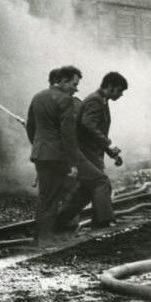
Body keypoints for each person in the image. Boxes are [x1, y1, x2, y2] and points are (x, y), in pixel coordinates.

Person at [57, 72, 127, 229]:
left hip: (89, 151)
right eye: (120, 90)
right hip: (84, 152)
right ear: (110, 87)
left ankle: (59, 222)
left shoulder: (101, 100)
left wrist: (110, 152)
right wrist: (108, 143)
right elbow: (88, 124)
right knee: (101, 182)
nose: (121, 94)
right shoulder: (95, 100)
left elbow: (94, 129)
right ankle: (103, 221)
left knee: (86, 190)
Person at [26, 65, 86, 244]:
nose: (75, 88)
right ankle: (46, 239)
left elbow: (31, 127)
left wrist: (38, 145)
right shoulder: (65, 100)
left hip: (40, 153)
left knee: (45, 195)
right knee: (56, 196)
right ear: (64, 81)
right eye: (74, 84)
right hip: (57, 156)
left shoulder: (38, 97)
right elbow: (68, 135)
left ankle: (39, 236)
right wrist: (73, 163)